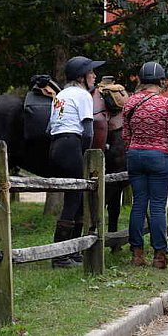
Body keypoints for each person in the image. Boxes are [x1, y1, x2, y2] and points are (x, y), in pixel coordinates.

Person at [122, 61, 168, 269]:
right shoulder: (166, 104)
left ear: (140, 80)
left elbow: (125, 135)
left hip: (135, 156)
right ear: (161, 81)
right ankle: (159, 255)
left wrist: (133, 151)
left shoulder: (130, 103)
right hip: (160, 157)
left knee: (138, 204)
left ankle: (137, 253)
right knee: (157, 205)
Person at [49, 55, 105, 268]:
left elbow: (50, 127)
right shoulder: (83, 95)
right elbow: (88, 130)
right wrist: (88, 154)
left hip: (57, 145)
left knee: (78, 199)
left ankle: (74, 251)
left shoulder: (60, 95)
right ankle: (61, 255)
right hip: (72, 144)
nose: (94, 76)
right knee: (74, 200)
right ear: (82, 77)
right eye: (91, 72)